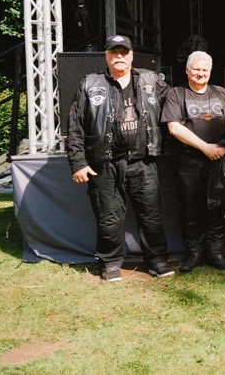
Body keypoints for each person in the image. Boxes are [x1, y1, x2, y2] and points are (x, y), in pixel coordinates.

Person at [67, 35, 173, 282]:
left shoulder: (150, 80)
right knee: (108, 216)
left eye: (124, 52)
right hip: (104, 164)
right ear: (106, 56)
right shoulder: (90, 84)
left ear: (131, 56)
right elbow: (75, 126)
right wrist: (78, 163)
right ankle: (111, 262)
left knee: (151, 214)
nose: (119, 57)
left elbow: (174, 106)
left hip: (143, 161)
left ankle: (157, 260)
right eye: (114, 52)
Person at [161, 51, 225, 273]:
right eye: (196, 69)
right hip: (189, 160)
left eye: (205, 70)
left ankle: (216, 253)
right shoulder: (176, 94)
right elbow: (174, 127)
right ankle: (194, 254)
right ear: (187, 70)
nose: (200, 74)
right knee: (190, 208)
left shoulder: (221, 93)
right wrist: (204, 148)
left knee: (218, 207)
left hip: (220, 160)